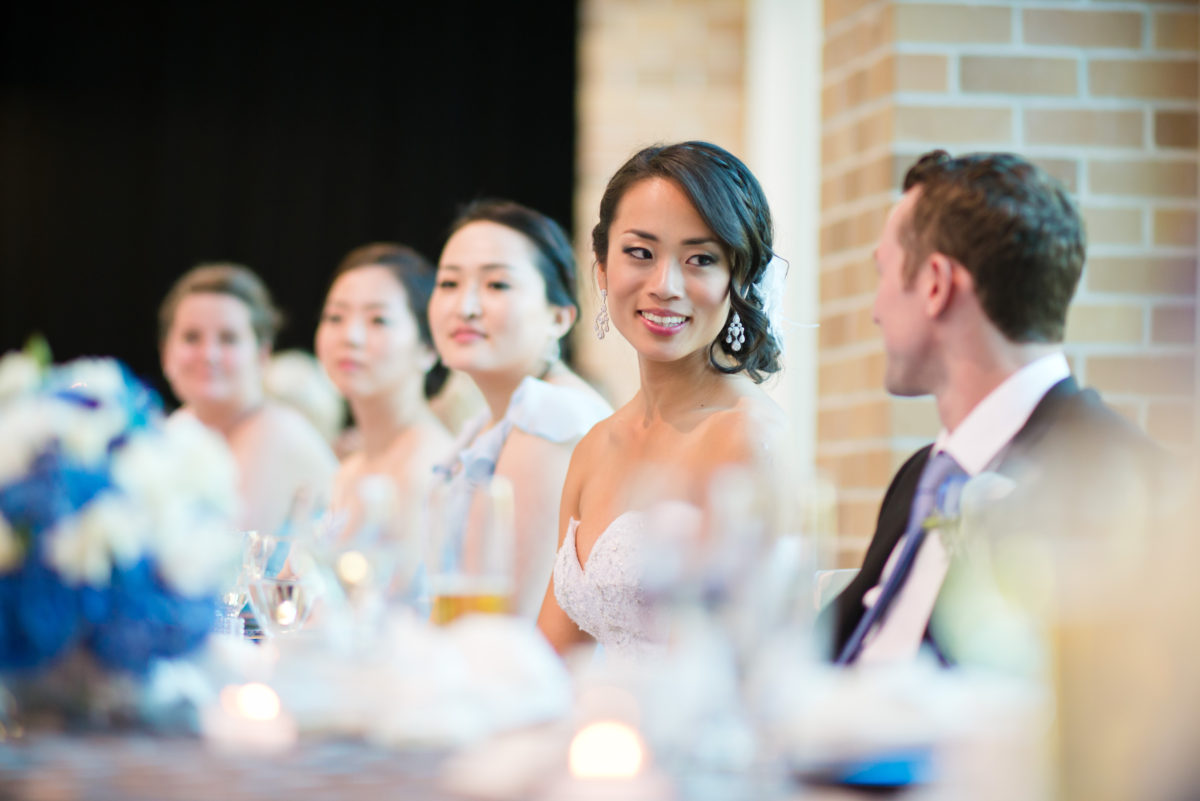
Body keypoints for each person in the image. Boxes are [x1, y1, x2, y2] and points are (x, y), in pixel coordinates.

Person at [824, 150, 1167, 667]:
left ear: (936, 285)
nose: (874, 311)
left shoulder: (1117, 484)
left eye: (884, 274)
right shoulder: (920, 477)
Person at [536, 141, 789, 658]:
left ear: (739, 279)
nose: (665, 285)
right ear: (602, 268)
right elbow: (555, 658)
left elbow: (757, 658)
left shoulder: (749, 437)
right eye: (640, 253)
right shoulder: (593, 447)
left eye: (700, 259)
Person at [429, 199, 612, 619]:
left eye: (497, 285)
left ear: (560, 318)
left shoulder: (551, 417)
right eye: (449, 284)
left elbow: (502, 620)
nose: (466, 307)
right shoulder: (489, 421)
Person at [159, 263, 337, 537]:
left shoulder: (277, 430)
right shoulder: (178, 427)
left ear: (262, 355)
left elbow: (224, 555)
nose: (209, 354)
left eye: (228, 339)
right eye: (191, 337)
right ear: (166, 354)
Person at [316, 243, 455, 540]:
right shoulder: (349, 469)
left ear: (429, 347)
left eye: (378, 320)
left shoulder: (430, 468)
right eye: (335, 317)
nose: (349, 337)